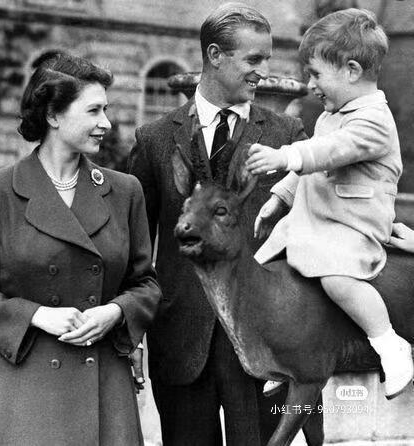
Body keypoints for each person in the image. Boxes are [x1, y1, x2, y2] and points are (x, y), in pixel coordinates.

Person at [0, 52, 160, 446]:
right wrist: (37, 315)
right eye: (94, 111)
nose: (106, 123)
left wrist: (115, 312)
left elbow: (146, 284)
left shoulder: (125, 191)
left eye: (106, 110)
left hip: (104, 386)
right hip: (24, 387)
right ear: (54, 115)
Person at [128, 3, 316, 445]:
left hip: (267, 348)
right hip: (179, 340)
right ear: (214, 55)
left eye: (266, 59)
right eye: (254, 59)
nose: (263, 72)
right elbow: (134, 244)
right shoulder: (154, 139)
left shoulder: (288, 136)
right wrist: (131, 333)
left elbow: (319, 221)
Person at [248, 8, 410, 400]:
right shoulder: (331, 115)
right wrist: (280, 196)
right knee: (266, 268)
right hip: (317, 220)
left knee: (336, 278)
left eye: (316, 74)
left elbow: (329, 152)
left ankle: (389, 343)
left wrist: (285, 156)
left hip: (352, 224)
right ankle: (290, 353)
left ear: (352, 71)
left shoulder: (373, 120)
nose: (310, 85)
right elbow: (314, 166)